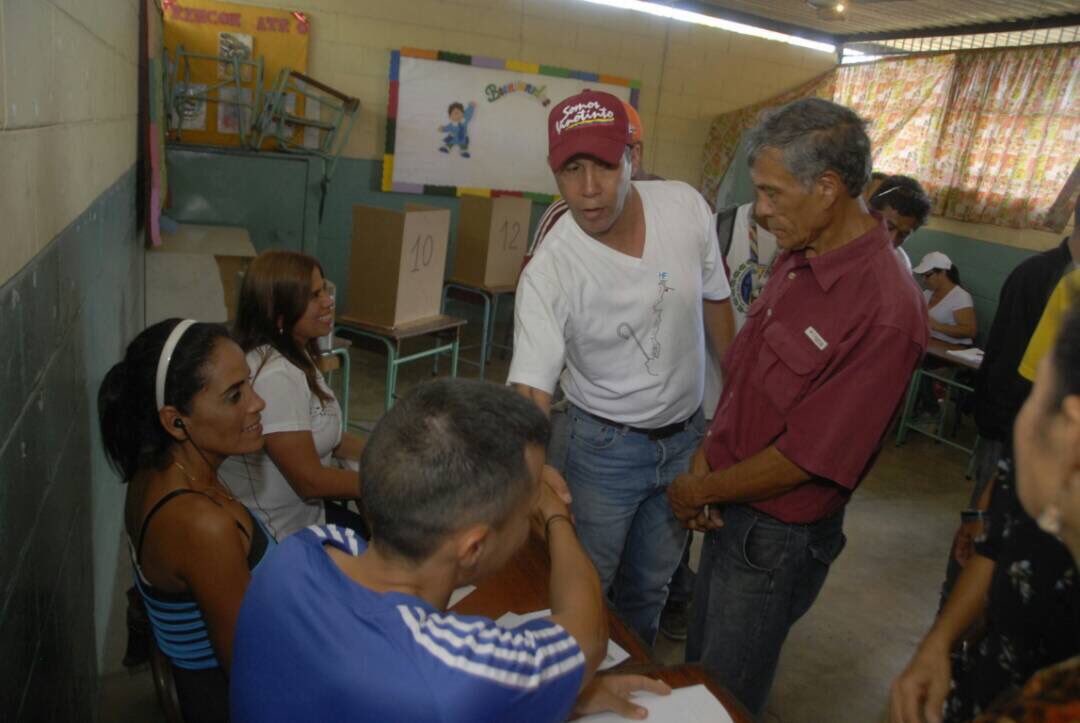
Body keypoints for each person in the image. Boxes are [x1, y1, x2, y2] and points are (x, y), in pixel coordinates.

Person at [668, 97, 928, 717]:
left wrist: (701, 490)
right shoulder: (799, 250)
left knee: (724, 698)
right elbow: (752, 377)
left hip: (774, 538)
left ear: (829, 188)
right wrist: (709, 456)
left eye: (772, 193)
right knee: (698, 671)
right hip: (732, 502)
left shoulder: (886, 311)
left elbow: (811, 457)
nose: (760, 210)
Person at [229, 379, 670, 722]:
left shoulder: (299, 554)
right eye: (529, 499)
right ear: (474, 546)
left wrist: (563, 700)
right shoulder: (454, 675)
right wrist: (555, 517)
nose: (533, 505)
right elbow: (588, 636)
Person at [509, 89, 735, 645]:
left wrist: (732, 412)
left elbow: (716, 302)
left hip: (684, 440)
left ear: (631, 157)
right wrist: (532, 472)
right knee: (586, 583)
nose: (589, 189)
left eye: (605, 166)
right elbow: (530, 391)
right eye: (572, 169)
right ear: (553, 172)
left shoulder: (684, 207)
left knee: (650, 587)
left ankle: (631, 679)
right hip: (603, 451)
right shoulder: (551, 269)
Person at [890, 297, 1080, 723]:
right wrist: (940, 641)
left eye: (1037, 397)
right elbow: (998, 548)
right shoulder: (1041, 513)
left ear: (1072, 434)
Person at [99, 318, 275, 722]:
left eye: (249, 382)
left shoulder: (151, 470)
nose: (258, 403)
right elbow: (253, 674)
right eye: (234, 395)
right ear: (175, 421)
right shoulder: (201, 526)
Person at [661, 201, 780, 641]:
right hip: (707, 394)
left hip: (758, 405)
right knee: (686, 501)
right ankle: (676, 594)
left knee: (735, 508)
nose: (771, 204)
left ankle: (707, 600)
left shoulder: (804, 238)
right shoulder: (722, 226)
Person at [219, 250, 367, 541]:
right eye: (314, 295)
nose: (328, 300)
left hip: (309, 518)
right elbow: (309, 482)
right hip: (286, 538)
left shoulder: (295, 350)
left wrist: (387, 456)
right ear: (280, 313)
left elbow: (329, 435)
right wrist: (387, 482)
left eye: (324, 288)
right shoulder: (274, 376)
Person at [868, 174, 932, 274]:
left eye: (903, 235)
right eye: (888, 227)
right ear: (869, 212)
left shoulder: (901, 268)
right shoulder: (840, 244)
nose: (892, 240)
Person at [914, 251, 977, 346]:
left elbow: (969, 331)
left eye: (927, 275)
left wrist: (936, 326)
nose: (924, 280)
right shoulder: (927, 294)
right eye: (922, 276)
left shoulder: (960, 296)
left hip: (952, 350)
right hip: (931, 345)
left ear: (942, 273)